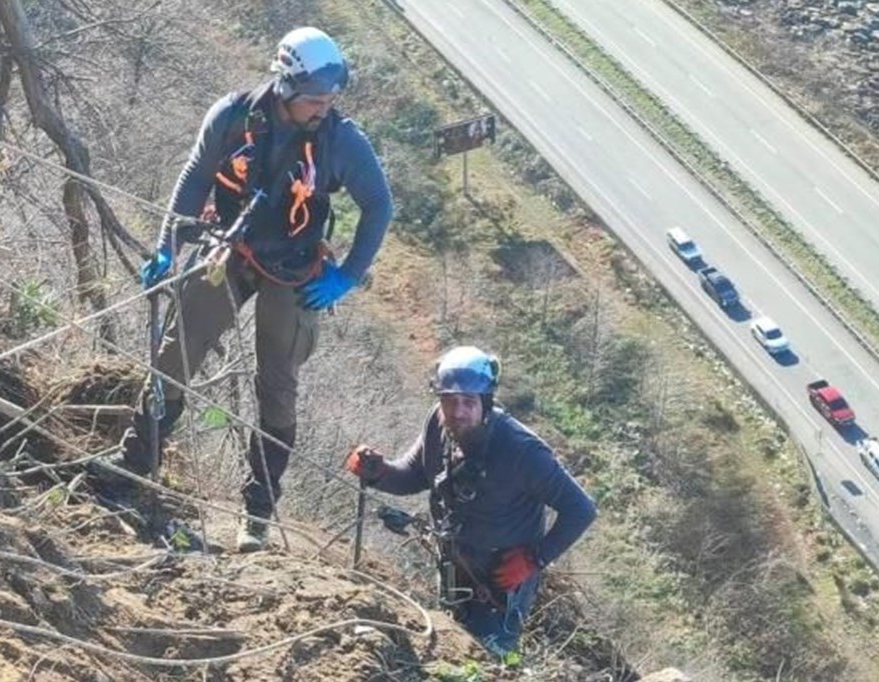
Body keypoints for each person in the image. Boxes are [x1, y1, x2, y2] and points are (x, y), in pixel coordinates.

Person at [122, 27, 393, 553]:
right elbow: (195, 178)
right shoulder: (233, 116)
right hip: (227, 250)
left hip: (294, 270)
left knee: (277, 386)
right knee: (174, 354)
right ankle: (134, 464)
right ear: (286, 86)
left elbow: (379, 204)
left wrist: (347, 276)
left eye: (331, 98)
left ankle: (258, 514)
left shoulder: (341, 139)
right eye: (315, 98)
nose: (324, 107)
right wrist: (166, 246)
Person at [345, 346, 597, 658]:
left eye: (468, 401)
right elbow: (414, 474)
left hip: (500, 583)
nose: (457, 410)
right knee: (448, 648)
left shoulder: (522, 451)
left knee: (483, 663)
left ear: (486, 402)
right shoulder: (438, 424)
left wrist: (535, 559)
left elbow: (581, 509)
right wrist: (379, 473)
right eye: (449, 400)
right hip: (454, 564)